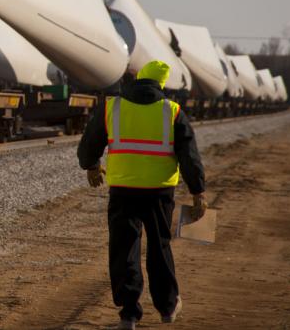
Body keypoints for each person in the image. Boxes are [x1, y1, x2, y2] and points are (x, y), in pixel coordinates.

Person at [77, 60, 207, 330]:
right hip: (159, 191)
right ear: (161, 85)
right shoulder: (172, 111)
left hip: (123, 189)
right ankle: (168, 307)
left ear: (138, 81)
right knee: (160, 246)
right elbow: (190, 156)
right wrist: (198, 191)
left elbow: (90, 141)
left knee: (124, 249)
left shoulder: (112, 106)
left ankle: (129, 314)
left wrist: (91, 165)